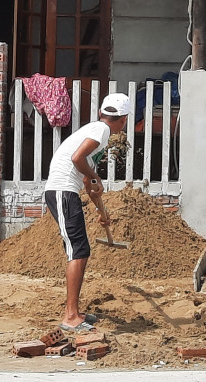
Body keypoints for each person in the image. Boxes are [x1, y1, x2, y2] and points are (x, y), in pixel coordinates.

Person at [43, 92, 130, 333]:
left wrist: (101, 211)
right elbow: (76, 159)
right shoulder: (101, 131)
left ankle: (76, 312)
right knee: (77, 251)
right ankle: (70, 316)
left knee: (81, 250)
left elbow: (89, 184)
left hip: (66, 192)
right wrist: (94, 176)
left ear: (102, 112)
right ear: (124, 120)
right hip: (62, 191)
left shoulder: (94, 134)